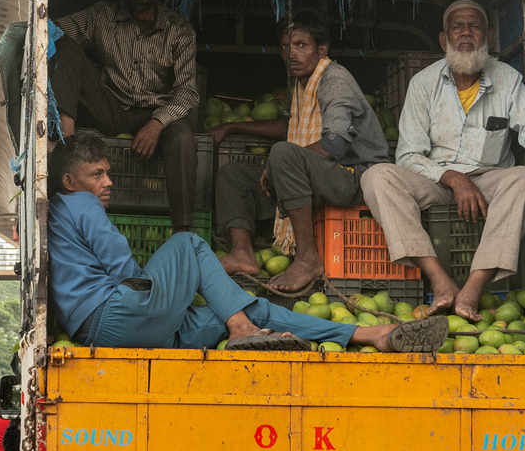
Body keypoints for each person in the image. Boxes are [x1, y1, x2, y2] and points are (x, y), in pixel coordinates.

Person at [48, 133, 446, 353]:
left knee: (255, 311)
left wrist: (178, 293)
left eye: (107, 174)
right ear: (69, 182)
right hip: (115, 313)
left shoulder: (58, 211)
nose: (108, 183)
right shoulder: (79, 203)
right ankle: (240, 326)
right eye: (97, 174)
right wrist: (174, 288)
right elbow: (124, 270)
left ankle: (370, 335)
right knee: (188, 243)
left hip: (114, 335)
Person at [360, 0, 525, 319]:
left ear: (488, 36)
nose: (466, 32)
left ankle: (472, 288)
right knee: (377, 176)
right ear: (444, 40)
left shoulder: (507, 79)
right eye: (457, 26)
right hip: (435, 179)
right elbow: (408, 153)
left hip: (489, 179)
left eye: (475, 26)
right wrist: (452, 177)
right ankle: (439, 280)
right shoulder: (423, 83)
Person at [213, 13, 391, 292]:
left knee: (283, 154)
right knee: (233, 174)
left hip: (358, 177)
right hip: (325, 175)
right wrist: (233, 126)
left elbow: (334, 144)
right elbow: (289, 125)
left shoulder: (334, 80)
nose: (291, 54)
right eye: (286, 47)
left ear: (322, 50)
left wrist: (278, 164)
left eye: (301, 45)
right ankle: (243, 253)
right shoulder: (301, 83)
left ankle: (307, 258)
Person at [51, 0, 202, 232]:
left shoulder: (179, 30)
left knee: (184, 138)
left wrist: (158, 122)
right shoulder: (101, 16)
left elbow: (187, 91)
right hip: (112, 109)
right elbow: (50, 31)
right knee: (65, 46)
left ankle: (182, 231)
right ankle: (63, 141)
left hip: (159, 113)